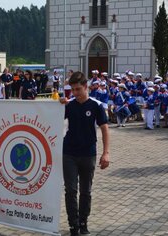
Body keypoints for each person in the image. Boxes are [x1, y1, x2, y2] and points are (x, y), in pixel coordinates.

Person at [59, 71, 110, 236]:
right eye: (72, 90)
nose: (75, 93)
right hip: (69, 154)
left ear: (86, 87)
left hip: (88, 154)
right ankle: (73, 225)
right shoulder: (70, 105)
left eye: (78, 89)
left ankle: (83, 222)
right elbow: (51, 116)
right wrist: (57, 105)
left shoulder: (96, 105)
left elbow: (104, 129)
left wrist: (106, 153)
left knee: (86, 191)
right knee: (71, 190)